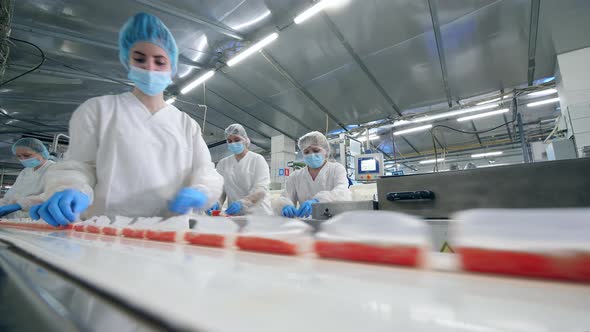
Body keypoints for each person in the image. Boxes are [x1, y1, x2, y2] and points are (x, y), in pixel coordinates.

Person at [29, 13, 223, 226]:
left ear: (172, 67)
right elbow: (78, 166)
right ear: (127, 60)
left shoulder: (187, 125)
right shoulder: (99, 110)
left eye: (160, 61)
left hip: (170, 233)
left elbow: (206, 172)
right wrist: (71, 188)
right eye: (140, 59)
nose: (150, 67)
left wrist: (201, 191)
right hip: (106, 230)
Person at [273, 131, 351, 218]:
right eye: (306, 152)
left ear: (326, 151)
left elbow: (342, 193)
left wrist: (318, 201)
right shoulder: (295, 176)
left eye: (316, 150)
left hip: (333, 221)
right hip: (307, 223)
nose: (311, 155)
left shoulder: (336, 169)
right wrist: (284, 206)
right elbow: (285, 197)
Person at [209, 124, 272, 216]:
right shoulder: (223, 163)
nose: (233, 143)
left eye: (237, 140)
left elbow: (261, 190)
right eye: (229, 141)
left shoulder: (257, 159)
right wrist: (216, 202)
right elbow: (220, 190)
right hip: (235, 215)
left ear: (245, 140)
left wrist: (243, 202)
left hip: (258, 213)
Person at [0, 138, 55, 217]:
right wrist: (3, 205)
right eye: (19, 156)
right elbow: (11, 194)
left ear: (41, 153)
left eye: (27, 155)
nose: (23, 159)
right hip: (18, 219)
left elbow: (51, 195)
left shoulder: (54, 169)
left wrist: (20, 205)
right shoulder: (25, 172)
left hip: (40, 218)